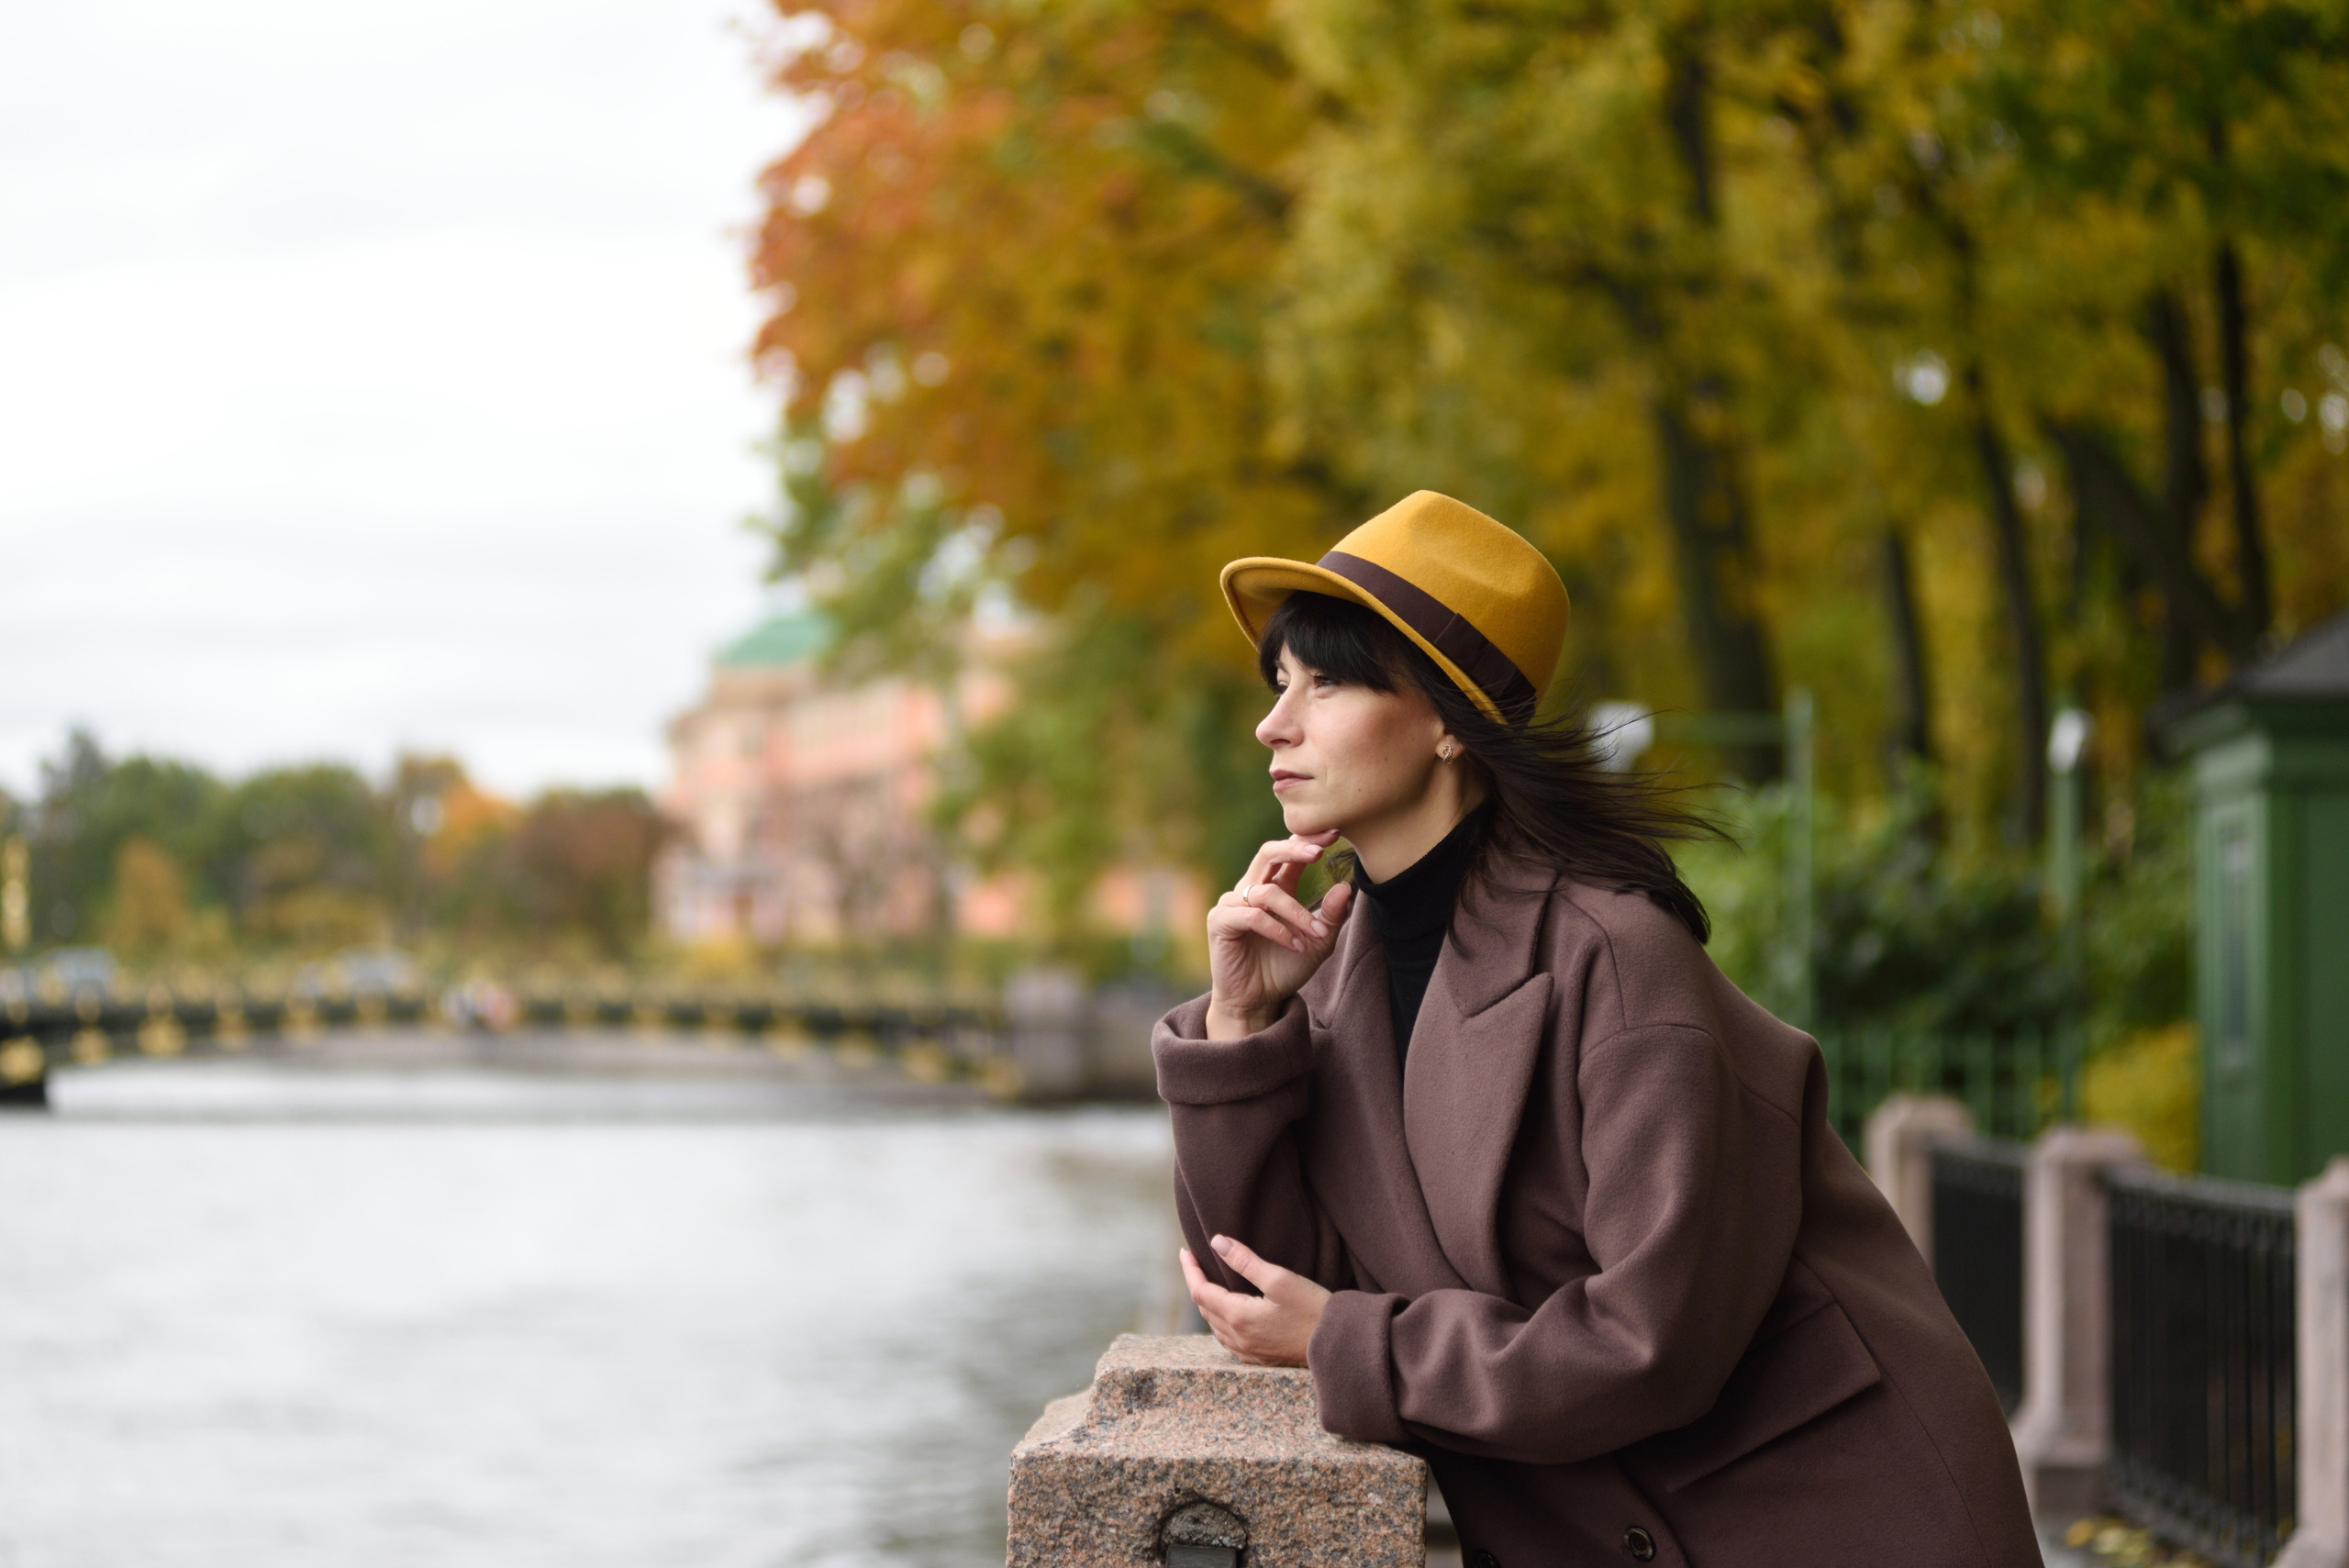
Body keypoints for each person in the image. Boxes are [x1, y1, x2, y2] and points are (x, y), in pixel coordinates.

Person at [1154, 491, 2039, 1567]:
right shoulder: (1337, 974)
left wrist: (1348, 1339)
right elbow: (1260, 1290)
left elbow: (1649, 1340)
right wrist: (1242, 1024)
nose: (1273, 723)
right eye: (1279, 683)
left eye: (1326, 681)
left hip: (1836, 1513)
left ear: (1445, 719)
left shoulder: (1613, 954)